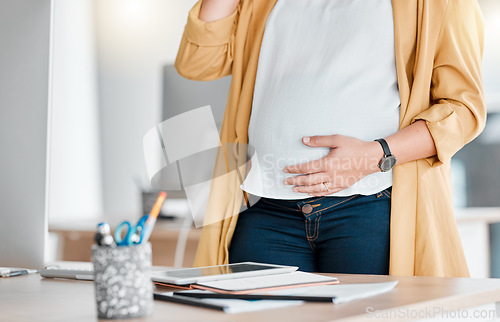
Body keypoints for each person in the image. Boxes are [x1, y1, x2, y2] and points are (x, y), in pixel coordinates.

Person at [175, 0, 486, 276]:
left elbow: (463, 109)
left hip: (370, 207)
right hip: (264, 208)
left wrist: (376, 155)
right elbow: (198, 63)